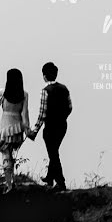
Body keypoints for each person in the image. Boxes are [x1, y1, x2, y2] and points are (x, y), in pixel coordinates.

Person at [0, 68, 30, 193]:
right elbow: (25, 113)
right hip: (17, 127)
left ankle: (9, 184)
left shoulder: (3, 92)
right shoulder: (24, 94)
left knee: (5, 155)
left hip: (5, 125)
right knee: (11, 155)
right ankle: (11, 180)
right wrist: (27, 129)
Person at [28, 62, 72, 191]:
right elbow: (70, 107)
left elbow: (42, 114)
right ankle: (49, 178)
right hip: (63, 125)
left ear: (44, 76)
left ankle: (60, 182)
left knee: (53, 154)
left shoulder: (45, 91)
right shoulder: (64, 88)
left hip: (50, 127)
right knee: (54, 152)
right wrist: (62, 117)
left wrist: (34, 131)